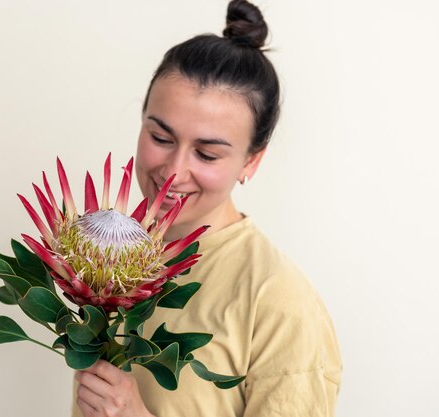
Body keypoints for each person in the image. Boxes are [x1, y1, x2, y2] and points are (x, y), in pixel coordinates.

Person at [72, 1, 342, 416]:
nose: (174, 171)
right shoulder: (101, 251)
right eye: (160, 137)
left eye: (207, 154)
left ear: (252, 160)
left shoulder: (279, 303)